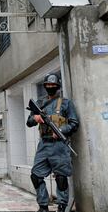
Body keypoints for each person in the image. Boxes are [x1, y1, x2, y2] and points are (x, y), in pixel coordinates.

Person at [26, 74, 79, 212]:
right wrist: (35, 117)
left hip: (59, 146)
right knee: (36, 175)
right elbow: (29, 122)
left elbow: (74, 123)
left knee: (61, 177)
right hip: (43, 145)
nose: (50, 87)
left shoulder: (66, 103)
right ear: (44, 86)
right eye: (48, 85)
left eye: (53, 85)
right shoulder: (39, 102)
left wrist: (61, 130)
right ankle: (43, 206)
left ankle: (61, 207)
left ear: (58, 87)